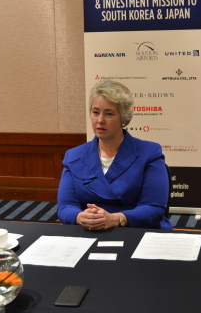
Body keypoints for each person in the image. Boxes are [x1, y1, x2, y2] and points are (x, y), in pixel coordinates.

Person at [57, 79, 172, 230]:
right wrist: (81, 217)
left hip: (135, 230)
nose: (100, 120)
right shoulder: (74, 156)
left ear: (124, 119)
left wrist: (115, 219)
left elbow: (154, 208)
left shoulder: (149, 153)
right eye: (95, 112)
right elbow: (65, 206)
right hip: (88, 231)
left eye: (109, 114)